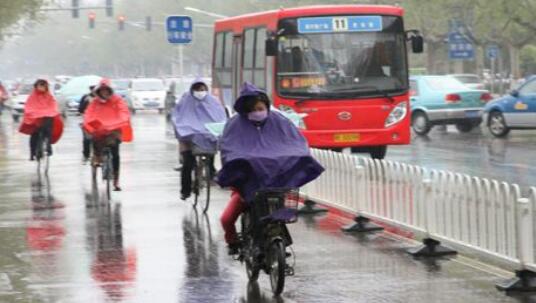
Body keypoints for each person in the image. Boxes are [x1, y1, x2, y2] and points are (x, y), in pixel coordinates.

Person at [217, 82, 324, 254]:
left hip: (276, 188)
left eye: (261, 108)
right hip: (247, 189)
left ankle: (278, 245)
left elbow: (295, 143)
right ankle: (233, 243)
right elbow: (229, 149)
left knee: (279, 216)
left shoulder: (280, 121)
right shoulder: (235, 125)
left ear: (266, 106)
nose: (258, 112)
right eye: (253, 109)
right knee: (226, 219)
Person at [172, 78, 227, 200]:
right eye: (197, 89)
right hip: (188, 137)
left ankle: (210, 172)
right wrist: (183, 130)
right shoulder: (185, 101)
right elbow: (178, 117)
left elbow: (220, 117)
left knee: (211, 149)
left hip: (207, 135)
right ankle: (185, 190)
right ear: (192, 90)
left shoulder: (213, 101)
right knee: (188, 163)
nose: (200, 91)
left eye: (202, 89)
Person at [83, 79, 133, 191]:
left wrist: (123, 118)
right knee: (94, 140)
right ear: (99, 91)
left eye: (106, 90)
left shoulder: (117, 100)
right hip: (99, 130)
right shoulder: (94, 102)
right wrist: (89, 121)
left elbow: (123, 111)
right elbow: (89, 113)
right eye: (102, 90)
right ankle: (97, 157)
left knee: (115, 154)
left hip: (114, 129)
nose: (104, 93)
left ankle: (116, 181)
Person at [19, 79, 64, 160]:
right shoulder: (32, 97)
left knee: (49, 129)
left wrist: (52, 112)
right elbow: (29, 107)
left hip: (46, 118)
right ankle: (32, 153)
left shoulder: (49, 96)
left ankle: (48, 146)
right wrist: (34, 113)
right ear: (36, 86)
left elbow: (53, 105)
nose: (42, 87)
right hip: (36, 120)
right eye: (40, 85)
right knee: (34, 135)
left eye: (44, 85)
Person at [79, 85, 96, 162]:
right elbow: (80, 109)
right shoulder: (86, 97)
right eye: (93, 89)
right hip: (88, 120)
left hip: (101, 120)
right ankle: (86, 154)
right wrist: (86, 102)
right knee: (87, 139)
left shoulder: (103, 98)